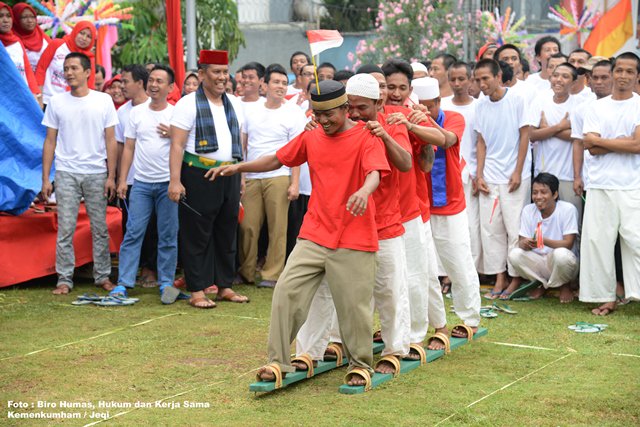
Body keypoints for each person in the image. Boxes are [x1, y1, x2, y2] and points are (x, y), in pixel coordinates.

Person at [211, 79, 389, 387]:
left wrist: (364, 190)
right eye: (317, 114)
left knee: (354, 307)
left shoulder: (366, 136)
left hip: (354, 236)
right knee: (285, 292)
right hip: (315, 233)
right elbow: (276, 158)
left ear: (345, 109)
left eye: (329, 114)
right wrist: (238, 167)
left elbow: (374, 172)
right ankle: (278, 360)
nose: (322, 121)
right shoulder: (312, 137)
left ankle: (360, 363)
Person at [296, 73, 413, 374]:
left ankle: (395, 348)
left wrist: (384, 135)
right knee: (326, 290)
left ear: (379, 102)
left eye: (363, 107)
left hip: (385, 223)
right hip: (341, 226)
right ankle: (312, 349)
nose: (356, 113)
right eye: (351, 107)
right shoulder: (337, 127)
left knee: (388, 289)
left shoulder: (392, 123)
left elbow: (406, 164)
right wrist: (313, 127)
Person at [168, 49, 249, 308]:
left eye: (225, 72)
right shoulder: (187, 103)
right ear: (202, 74)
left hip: (230, 173)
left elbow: (240, 143)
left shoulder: (235, 103)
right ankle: (197, 290)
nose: (222, 77)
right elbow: (177, 145)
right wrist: (175, 180)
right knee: (197, 234)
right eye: (216, 72)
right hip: (198, 174)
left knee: (227, 231)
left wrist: (242, 175)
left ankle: (224, 286)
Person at [380, 59, 449, 350]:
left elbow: (442, 140)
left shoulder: (412, 112)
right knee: (391, 277)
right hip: (382, 210)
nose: (395, 92)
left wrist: (411, 125)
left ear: (410, 89)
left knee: (419, 273)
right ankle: (398, 330)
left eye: (401, 87)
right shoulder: (371, 112)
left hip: (410, 207)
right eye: (390, 87)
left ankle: (421, 333)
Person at [41, 52, 118, 295]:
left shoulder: (103, 100)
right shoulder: (56, 102)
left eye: (74, 68)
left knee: (99, 227)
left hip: (96, 172)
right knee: (65, 227)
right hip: (66, 172)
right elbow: (50, 141)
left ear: (87, 72)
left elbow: (110, 140)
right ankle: (64, 279)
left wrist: (111, 176)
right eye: (66, 68)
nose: (69, 72)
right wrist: (46, 178)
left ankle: (103, 276)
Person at [411, 76, 481, 338]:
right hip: (419, 204)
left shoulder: (454, 118)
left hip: (451, 203)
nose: (425, 110)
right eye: (421, 105)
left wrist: (419, 119)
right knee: (425, 268)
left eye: (429, 106)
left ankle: (469, 317)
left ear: (439, 101)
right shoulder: (410, 121)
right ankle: (433, 321)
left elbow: (447, 140)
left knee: (458, 261)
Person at [113, 64, 181, 304]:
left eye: (159, 81)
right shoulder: (136, 113)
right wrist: (123, 180)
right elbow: (128, 147)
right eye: (151, 80)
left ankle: (166, 284)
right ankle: (123, 283)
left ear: (171, 87)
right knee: (133, 232)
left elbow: (184, 146)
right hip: (140, 184)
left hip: (168, 184)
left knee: (168, 235)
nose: (153, 85)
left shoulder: (176, 114)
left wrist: (174, 134)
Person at [579, 52, 640, 315]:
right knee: (597, 242)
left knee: (636, 241)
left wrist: (604, 141)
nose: (623, 76)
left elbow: (638, 146)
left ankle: (635, 293)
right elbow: (590, 147)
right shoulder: (596, 107)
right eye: (620, 71)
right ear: (613, 73)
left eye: (629, 72)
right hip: (600, 183)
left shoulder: (638, 105)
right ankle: (605, 297)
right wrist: (624, 142)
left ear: (637, 76)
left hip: (632, 184)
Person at [237, 64, 307, 288]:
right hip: (251, 176)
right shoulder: (251, 111)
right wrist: (240, 175)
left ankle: (272, 274)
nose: (280, 87)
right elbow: (243, 146)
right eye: (276, 82)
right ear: (264, 85)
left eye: (284, 83)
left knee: (278, 228)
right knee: (247, 226)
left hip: (279, 175)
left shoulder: (293, 113)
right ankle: (246, 272)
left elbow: (296, 151)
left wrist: (294, 183)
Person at [473, 59, 531, 300]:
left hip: (514, 176)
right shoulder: (481, 105)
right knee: (490, 229)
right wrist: (479, 175)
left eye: (486, 78)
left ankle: (515, 277)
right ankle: (499, 276)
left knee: (514, 228)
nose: (481, 83)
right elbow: (481, 142)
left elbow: (525, 135)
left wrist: (517, 171)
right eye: (478, 79)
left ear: (498, 76)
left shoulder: (517, 99)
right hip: (490, 176)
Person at [509, 173, 579, 302]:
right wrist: (526, 243)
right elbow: (521, 242)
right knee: (515, 254)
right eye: (535, 193)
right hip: (540, 262)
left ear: (555, 194)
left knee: (561, 255)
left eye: (543, 192)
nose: (538, 197)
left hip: (561, 262)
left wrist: (543, 241)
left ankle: (565, 285)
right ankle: (542, 284)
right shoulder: (528, 210)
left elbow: (569, 243)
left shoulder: (568, 209)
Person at [441, 61, 483, 276]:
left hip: (471, 173)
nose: (457, 84)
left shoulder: (479, 105)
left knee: (470, 225)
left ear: (470, 80)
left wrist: (478, 173)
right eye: (453, 79)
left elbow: (480, 142)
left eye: (461, 79)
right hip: (444, 173)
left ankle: (468, 272)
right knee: (445, 225)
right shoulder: (442, 105)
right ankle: (446, 273)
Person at [528, 62, 582, 224]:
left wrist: (547, 129)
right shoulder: (540, 100)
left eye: (565, 77)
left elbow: (579, 138)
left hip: (569, 175)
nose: (559, 80)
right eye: (556, 75)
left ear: (573, 83)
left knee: (572, 223)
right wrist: (560, 127)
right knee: (544, 221)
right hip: (544, 173)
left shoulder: (579, 105)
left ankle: (572, 251)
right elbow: (531, 135)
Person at [36, 21, 97, 106]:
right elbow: (41, 68)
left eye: (89, 36)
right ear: (75, 31)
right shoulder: (57, 44)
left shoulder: (89, 59)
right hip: (46, 100)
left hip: (69, 105)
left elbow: (89, 85)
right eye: (81, 33)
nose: (84, 38)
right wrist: (39, 95)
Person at [0, 2, 39, 98]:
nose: (6, 20)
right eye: (0, 16)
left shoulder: (16, 41)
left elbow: (27, 69)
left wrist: (35, 93)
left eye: (9, 16)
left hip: (23, 97)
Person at [12, 2, 50, 72]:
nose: (29, 21)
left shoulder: (42, 35)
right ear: (16, 19)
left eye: (32, 17)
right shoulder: (11, 41)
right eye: (24, 17)